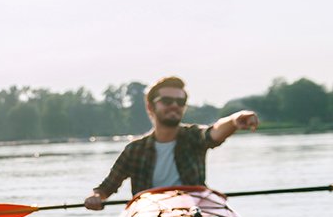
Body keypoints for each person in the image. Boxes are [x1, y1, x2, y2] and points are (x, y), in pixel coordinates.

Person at [84, 76, 259, 209]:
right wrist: (96, 197)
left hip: (194, 211)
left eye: (180, 102)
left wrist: (235, 120)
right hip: (150, 215)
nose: (174, 105)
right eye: (167, 101)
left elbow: (214, 132)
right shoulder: (134, 150)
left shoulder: (193, 137)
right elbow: (105, 188)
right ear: (151, 107)